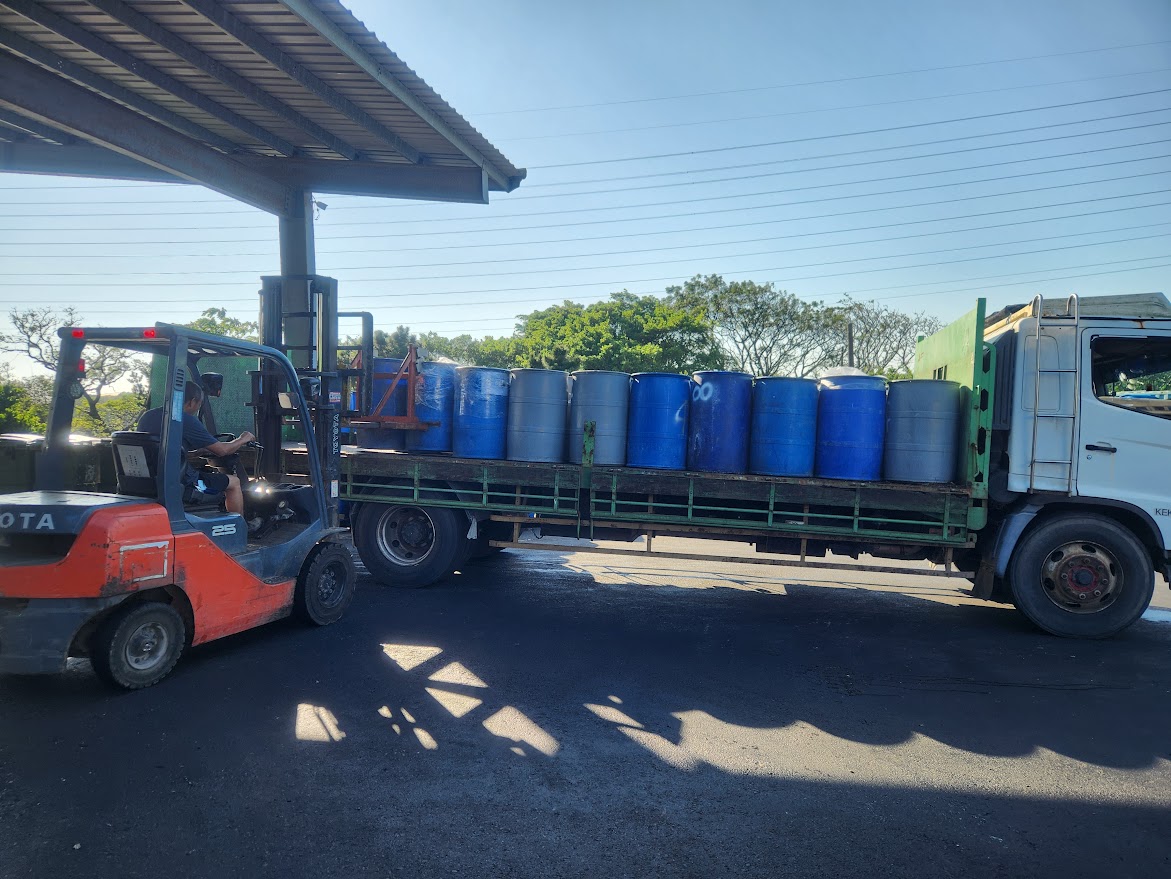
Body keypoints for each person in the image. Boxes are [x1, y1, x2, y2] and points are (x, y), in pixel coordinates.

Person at [136, 381, 255, 515]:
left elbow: (162, 450)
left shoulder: (147, 416)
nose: (198, 408)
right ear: (192, 402)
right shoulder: (184, 419)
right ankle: (239, 525)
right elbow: (222, 450)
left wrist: (195, 453)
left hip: (149, 480)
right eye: (199, 404)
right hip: (186, 484)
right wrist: (243, 439)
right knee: (234, 482)